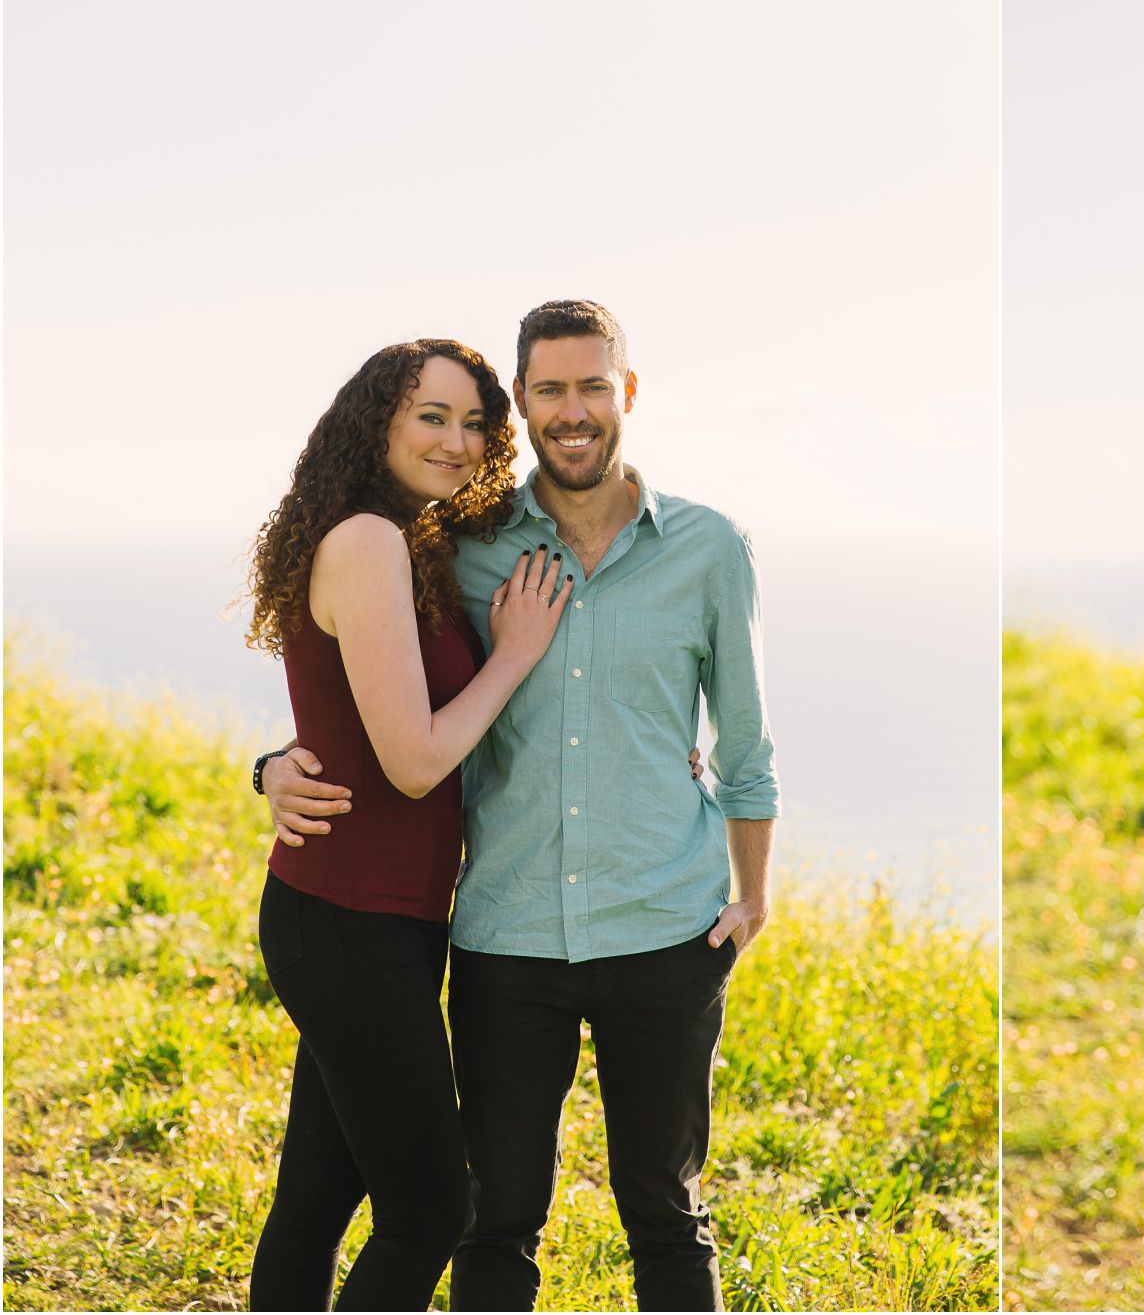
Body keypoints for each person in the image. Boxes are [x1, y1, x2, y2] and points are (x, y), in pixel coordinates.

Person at [262, 299, 778, 1312]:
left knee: (663, 1214)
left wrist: (751, 896)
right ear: (528, 406)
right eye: (548, 388)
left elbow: (748, 743)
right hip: (496, 934)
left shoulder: (710, 547)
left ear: (625, 393)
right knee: (481, 1217)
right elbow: (361, 695)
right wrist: (273, 759)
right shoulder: (454, 547)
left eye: (592, 385)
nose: (572, 408)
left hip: (655, 926)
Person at [243, 338, 572, 1311]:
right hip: (350, 923)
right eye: (432, 414)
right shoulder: (367, 539)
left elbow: (340, 716)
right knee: (432, 1206)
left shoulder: (402, 534)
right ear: (376, 419)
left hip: (362, 917)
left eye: (474, 421)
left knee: (315, 1194)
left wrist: (267, 762)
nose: (458, 439)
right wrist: (512, 652)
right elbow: (415, 759)